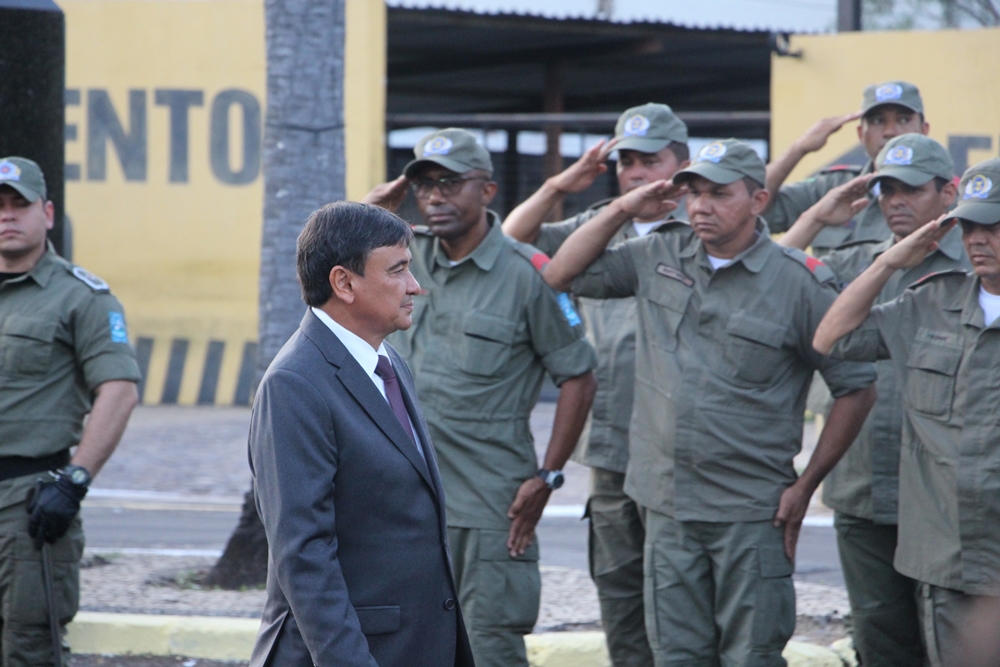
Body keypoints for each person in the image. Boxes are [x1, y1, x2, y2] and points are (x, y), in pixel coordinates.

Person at [541, 139, 877, 666]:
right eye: (693, 192)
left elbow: (856, 386)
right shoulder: (658, 255)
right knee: (677, 655)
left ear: (759, 201)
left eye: (719, 194)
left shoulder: (798, 283)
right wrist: (624, 208)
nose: (700, 206)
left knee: (750, 656)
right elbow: (560, 274)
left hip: (750, 512)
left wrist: (806, 484)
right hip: (666, 507)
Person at [363, 128, 597, 667]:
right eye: (423, 186)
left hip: (490, 509)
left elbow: (579, 376)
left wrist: (549, 476)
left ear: (488, 191)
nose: (435, 197)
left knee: (488, 649)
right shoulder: (400, 260)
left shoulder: (526, 274)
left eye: (450, 183)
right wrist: (364, 214)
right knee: (407, 649)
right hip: (404, 505)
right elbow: (330, 286)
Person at [502, 103, 689, 667]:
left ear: (681, 164)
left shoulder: (703, 229)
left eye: (649, 160)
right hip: (610, 445)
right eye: (625, 161)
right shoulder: (594, 225)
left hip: (680, 448)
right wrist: (562, 183)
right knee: (620, 592)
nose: (635, 172)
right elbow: (509, 241)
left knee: (678, 596)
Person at [248, 202, 474, 667]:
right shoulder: (295, 383)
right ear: (344, 283)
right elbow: (303, 554)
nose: (415, 286)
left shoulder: (387, 362)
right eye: (398, 271)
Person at [779, 134, 969, 666]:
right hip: (865, 488)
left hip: (948, 498)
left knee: (955, 642)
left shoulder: (979, 266)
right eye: (886, 190)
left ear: (948, 192)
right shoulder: (860, 262)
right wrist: (818, 215)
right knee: (881, 639)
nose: (896, 202)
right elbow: (768, 274)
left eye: (910, 190)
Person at [814, 157, 1000, 667]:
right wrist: (887, 264)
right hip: (947, 557)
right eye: (971, 226)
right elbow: (833, 339)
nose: (979, 239)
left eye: (994, 226)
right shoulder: (931, 304)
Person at [0, 157, 141, 666]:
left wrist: (74, 479)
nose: (7, 215)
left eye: (20, 204)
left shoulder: (81, 297)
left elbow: (119, 389)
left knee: (27, 648)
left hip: (28, 504)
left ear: (48, 213)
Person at [765, 80, 929, 255]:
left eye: (903, 119)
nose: (890, 131)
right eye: (878, 121)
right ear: (860, 134)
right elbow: (756, 206)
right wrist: (798, 148)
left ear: (924, 130)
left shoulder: (939, 194)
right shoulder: (832, 188)